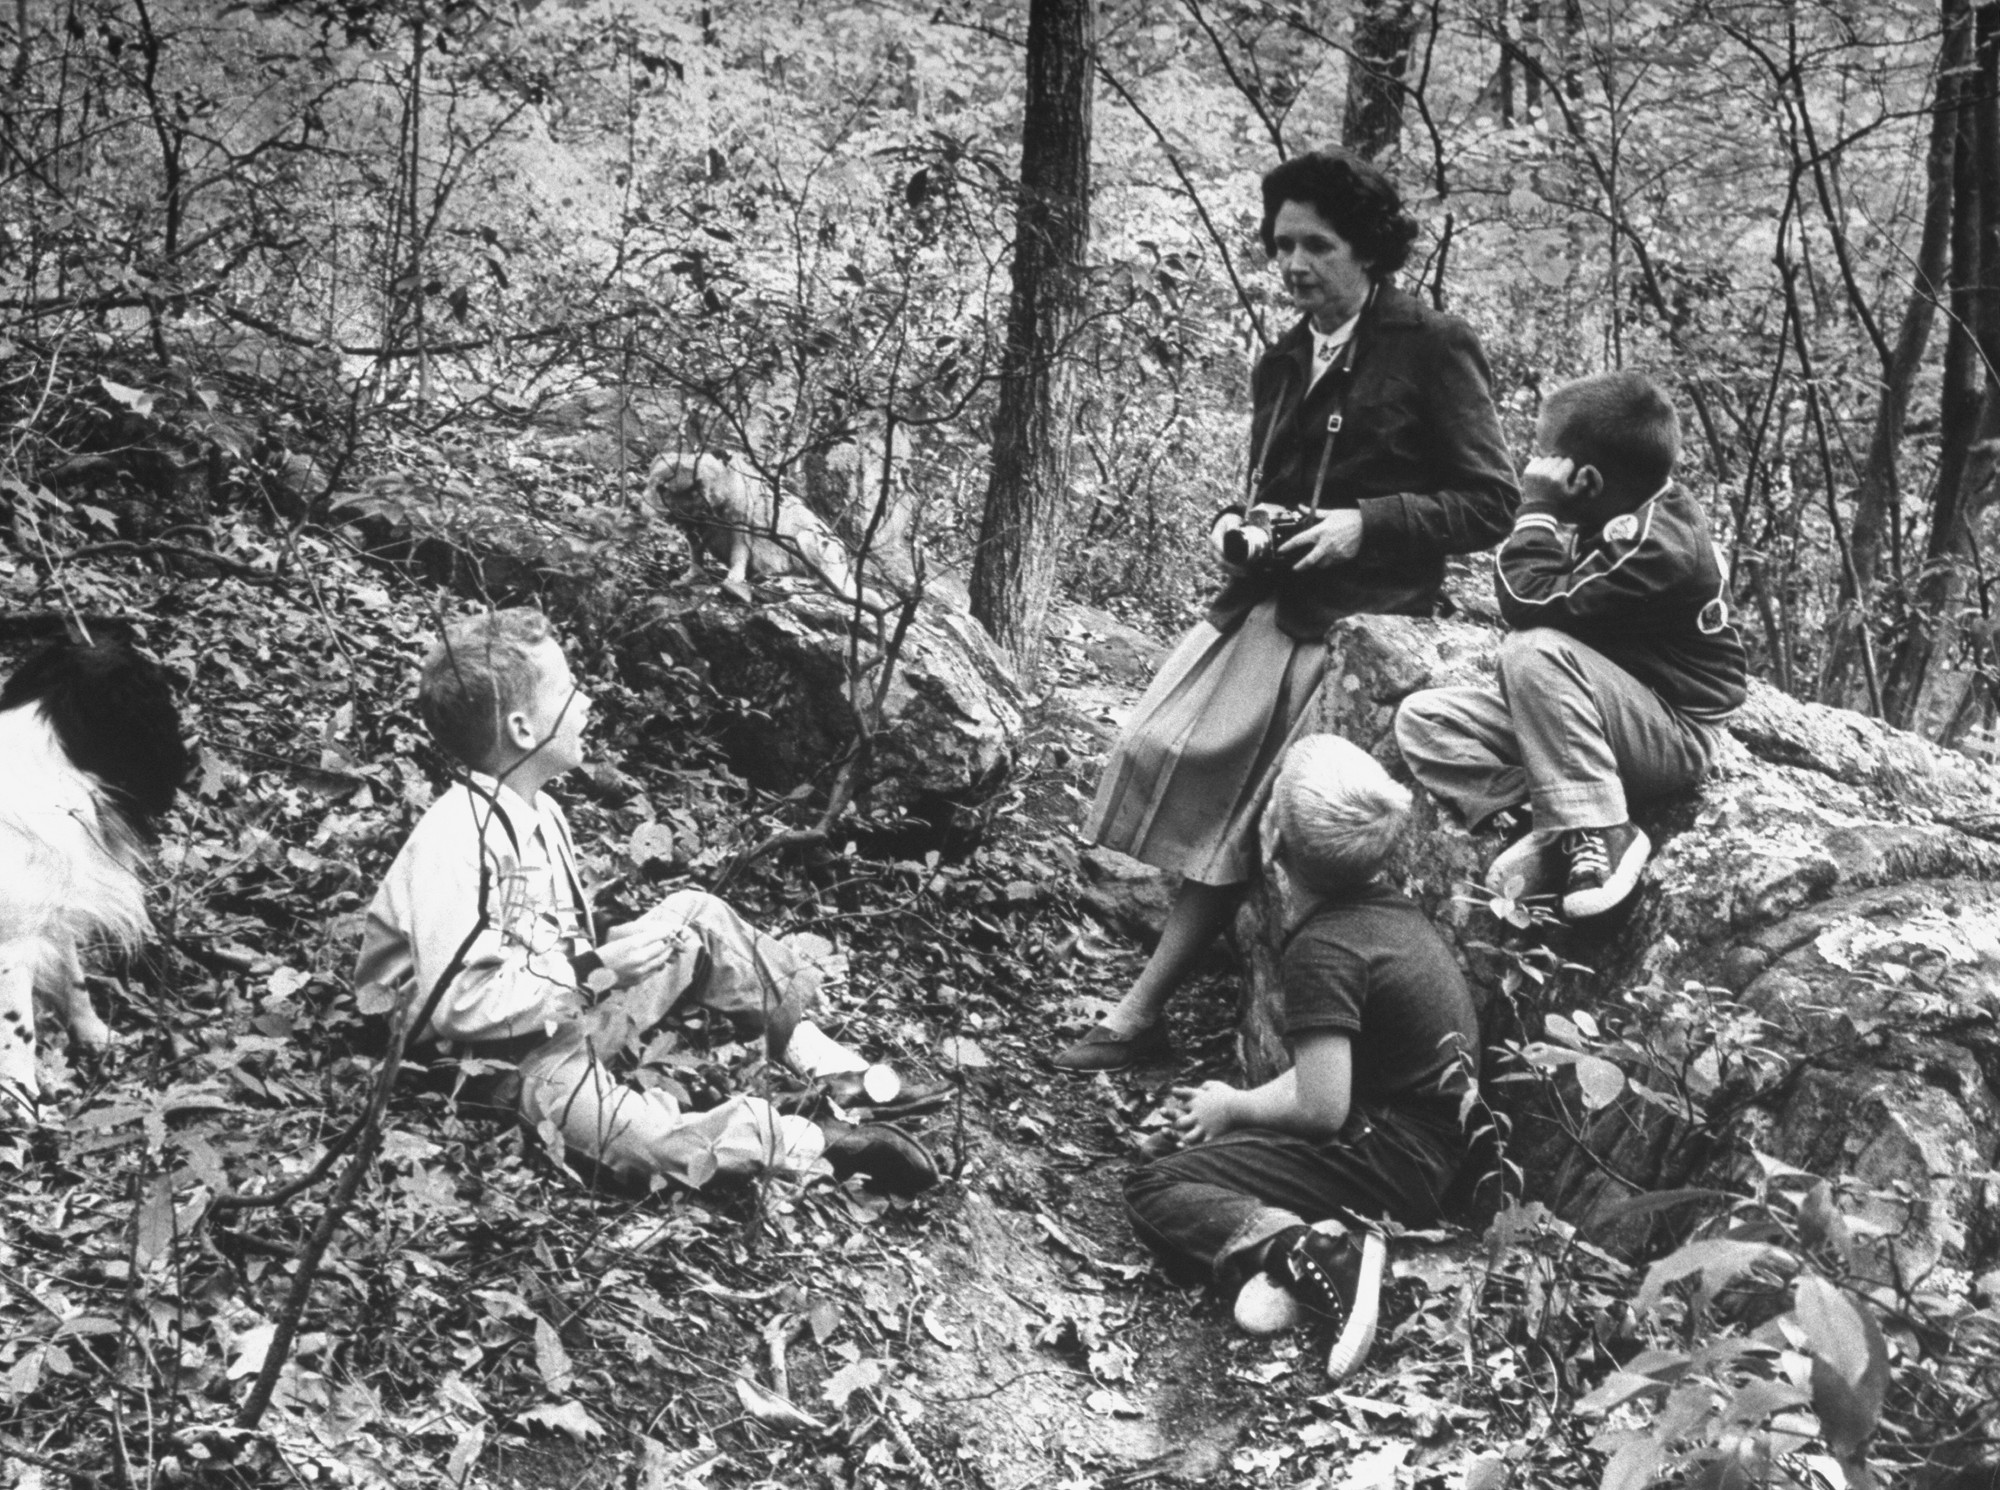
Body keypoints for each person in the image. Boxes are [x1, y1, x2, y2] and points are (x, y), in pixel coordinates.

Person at [1056, 147, 1517, 1073]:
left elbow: (1493, 503)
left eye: (1319, 245)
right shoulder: (1284, 359)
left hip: (1360, 624)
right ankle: (1172, 994)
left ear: (1370, 249)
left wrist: (1365, 525)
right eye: (1283, 246)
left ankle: (1147, 1013)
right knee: (1155, 751)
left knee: (1250, 814)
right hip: (1267, 604)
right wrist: (1241, 521)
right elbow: (1271, 482)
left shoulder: (1432, 346)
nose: (1296, 265)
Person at [353, 608, 938, 1196]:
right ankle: (818, 1145)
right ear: (523, 730)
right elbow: (457, 1005)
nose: (586, 700)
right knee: (648, 1140)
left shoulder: (542, 810)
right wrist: (592, 970)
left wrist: (614, 948)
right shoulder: (457, 835)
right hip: (492, 1066)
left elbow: (546, 937)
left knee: (694, 915)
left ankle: (833, 1070)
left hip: (560, 1014)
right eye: (568, 690)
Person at [1122, 735, 1479, 1383]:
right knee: (1192, 1161)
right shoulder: (1385, 914)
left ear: (1274, 839)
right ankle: (1310, 1234)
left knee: (1155, 1187)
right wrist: (1234, 1127)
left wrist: (1232, 1105)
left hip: (1393, 1158)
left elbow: (1320, 1106)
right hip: (1416, 1142)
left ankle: (1315, 1255)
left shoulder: (1324, 949)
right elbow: (1341, 1075)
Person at [1393, 369, 1747, 919]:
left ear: (1586, 482)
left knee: (1530, 650)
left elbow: (1527, 602)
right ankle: (1555, 826)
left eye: (1546, 460)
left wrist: (1538, 508)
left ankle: (1603, 830)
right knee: (1426, 719)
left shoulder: (1657, 546)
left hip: (1671, 734)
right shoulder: (1620, 511)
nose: (1536, 470)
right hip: (1603, 719)